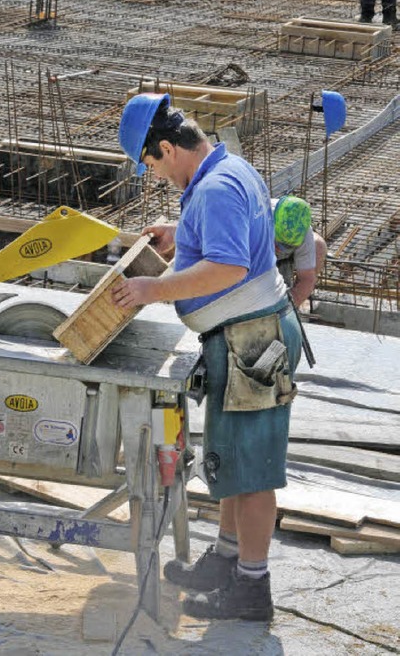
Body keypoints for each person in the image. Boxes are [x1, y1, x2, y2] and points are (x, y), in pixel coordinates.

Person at [113, 93, 302, 622]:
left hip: (253, 342)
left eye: (151, 165)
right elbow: (233, 234)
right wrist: (182, 236)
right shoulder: (226, 169)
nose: (155, 177)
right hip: (241, 340)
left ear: (169, 148)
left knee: (255, 471)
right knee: (232, 462)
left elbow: (227, 268)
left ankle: (251, 588)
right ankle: (225, 562)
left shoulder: (215, 188)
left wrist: (155, 288)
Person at [272, 195, 328, 308]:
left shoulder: (302, 231)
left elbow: (307, 279)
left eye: (288, 246)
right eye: (280, 244)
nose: (280, 249)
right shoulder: (254, 222)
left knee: (319, 246)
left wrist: (287, 310)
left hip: (284, 261)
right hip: (253, 258)